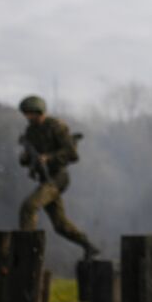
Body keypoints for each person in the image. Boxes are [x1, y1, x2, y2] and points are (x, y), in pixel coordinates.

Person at [16, 95, 100, 259]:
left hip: (57, 177)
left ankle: (26, 248)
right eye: (25, 113)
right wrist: (26, 157)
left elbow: (72, 154)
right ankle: (88, 246)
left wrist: (49, 158)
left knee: (29, 206)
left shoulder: (56, 127)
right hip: (44, 179)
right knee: (60, 225)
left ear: (39, 112)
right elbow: (27, 159)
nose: (27, 117)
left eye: (30, 113)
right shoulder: (31, 131)